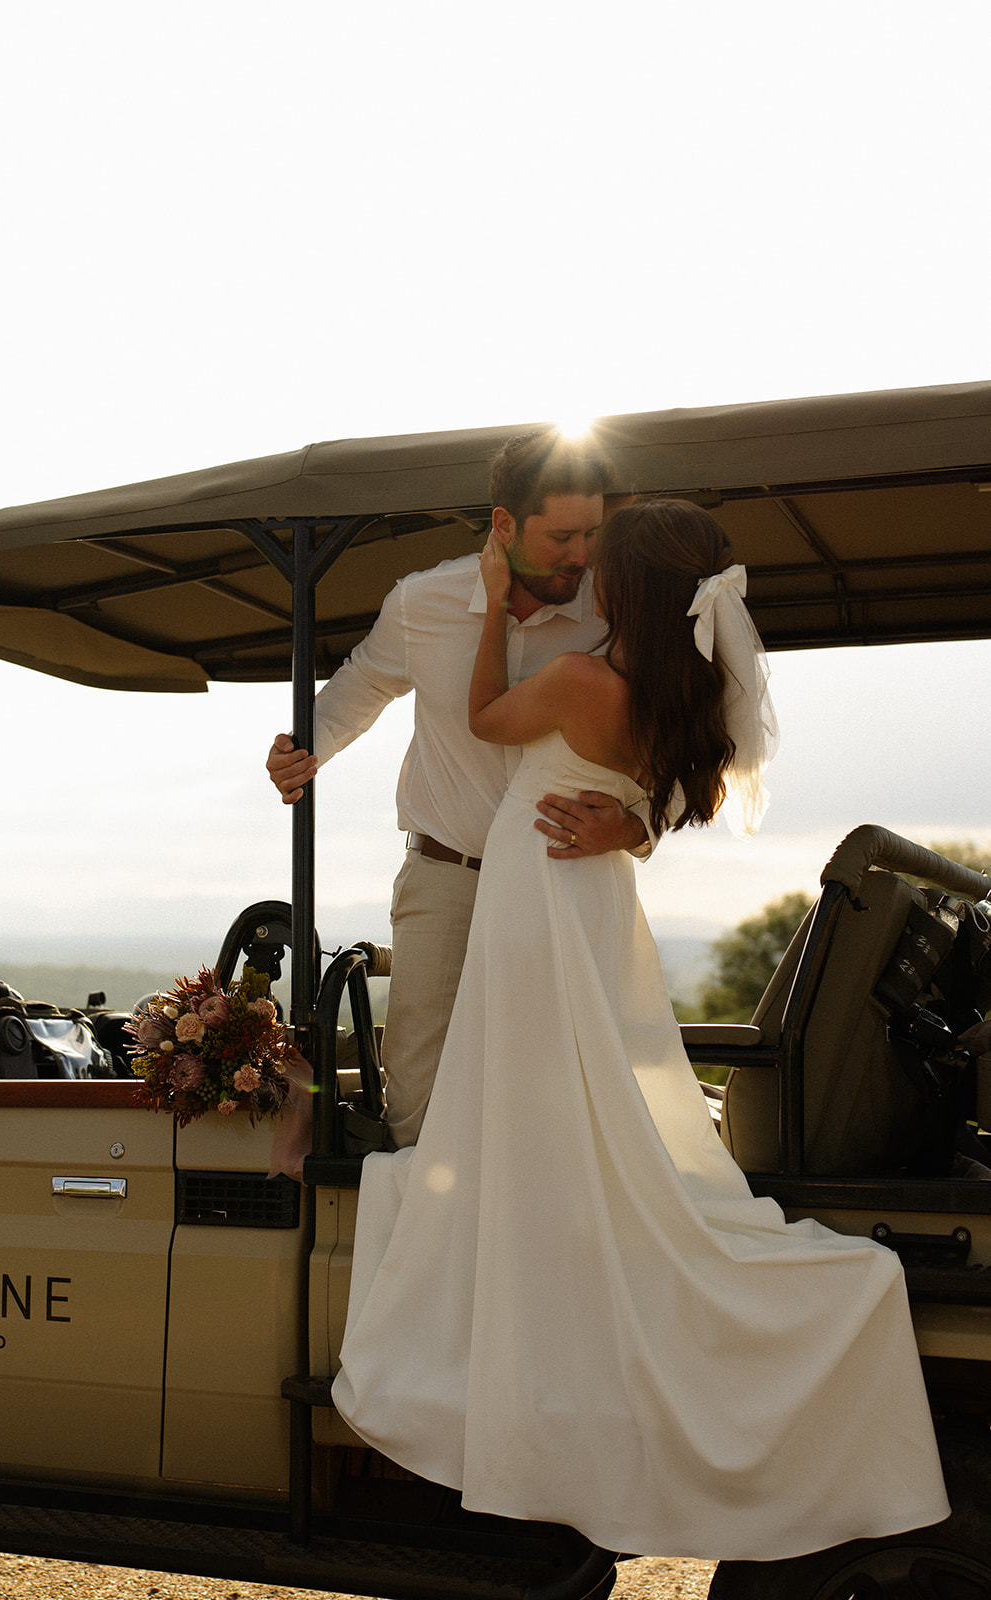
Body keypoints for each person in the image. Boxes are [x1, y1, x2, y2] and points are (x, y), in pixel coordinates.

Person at [331, 500, 950, 1561]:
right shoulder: (671, 693)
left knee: (520, 1081)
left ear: (631, 587)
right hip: (595, 899)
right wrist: (632, 822)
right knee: (569, 1081)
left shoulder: (578, 678)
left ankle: (515, 1284)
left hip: (537, 896)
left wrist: (487, 607)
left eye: (602, 563)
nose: (588, 574)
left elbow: (482, 716)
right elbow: (674, 788)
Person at [267, 427, 651, 1152]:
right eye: (563, 535)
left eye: (592, 534)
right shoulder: (421, 602)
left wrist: (634, 828)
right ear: (504, 524)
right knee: (421, 1097)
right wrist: (303, 745)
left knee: (556, 1102)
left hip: (565, 887)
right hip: (446, 882)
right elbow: (360, 684)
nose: (581, 555)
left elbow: (683, 752)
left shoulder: (619, 610)